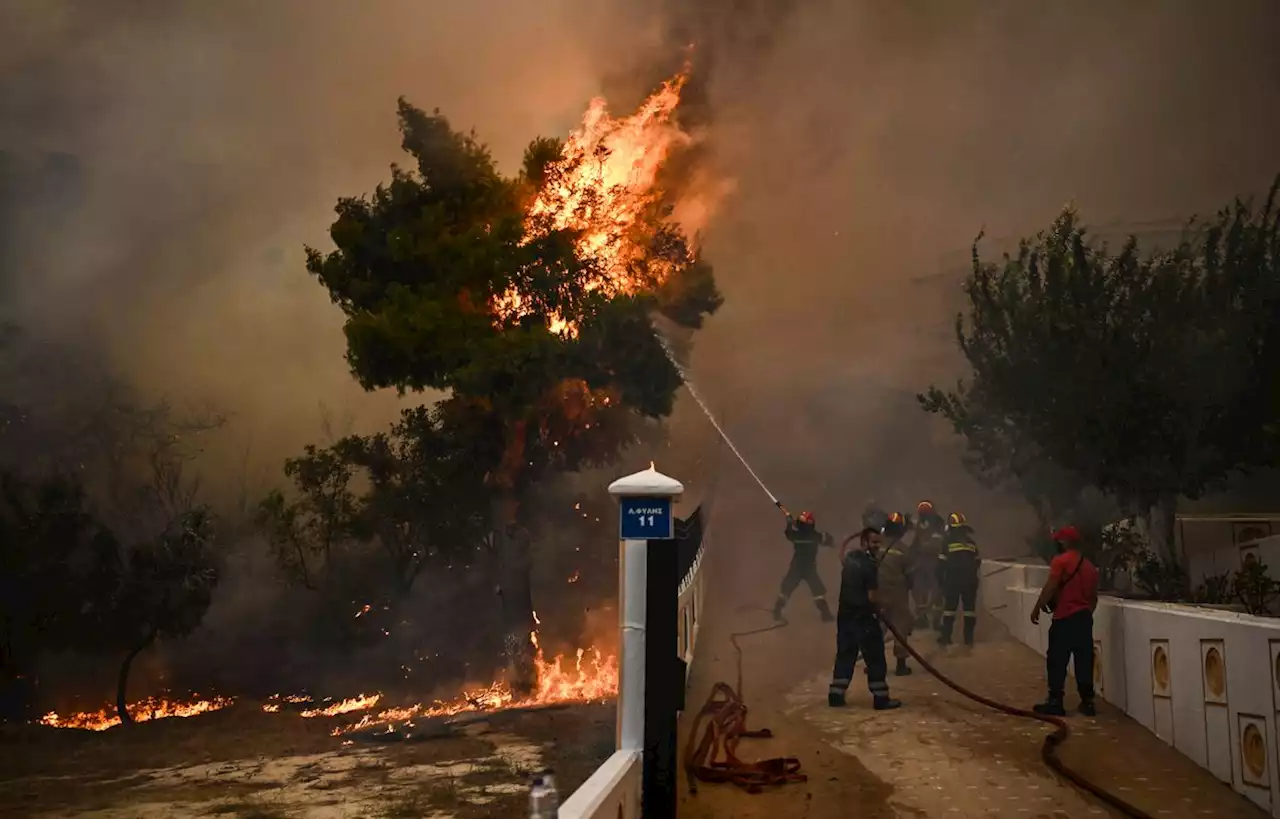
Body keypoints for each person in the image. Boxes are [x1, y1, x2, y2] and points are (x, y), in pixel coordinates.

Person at [828, 527, 902, 710]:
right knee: (875, 656)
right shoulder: (869, 565)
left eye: (879, 542)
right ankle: (881, 698)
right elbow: (871, 596)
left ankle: (836, 694)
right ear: (864, 543)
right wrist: (882, 606)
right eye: (874, 542)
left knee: (845, 654)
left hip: (845, 616)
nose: (877, 546)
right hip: (864, 618)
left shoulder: (851, 560)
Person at [1031, 525, 1100, 717]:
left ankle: (1055, 702)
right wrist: (1084, 613)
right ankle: (1087, 702)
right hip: (1084, 619)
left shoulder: (1060, 562)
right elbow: (1094, 598)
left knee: (1057, 660)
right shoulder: (1090, 567)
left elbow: (1051, 586)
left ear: (1064, 542)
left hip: (1064, 619)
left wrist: (1037, 608)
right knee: (1084, 661)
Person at [773, 511, 836, 622]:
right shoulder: (815, 536)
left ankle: (777, 612)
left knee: (786, 589)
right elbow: (828, 540)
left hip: (797, 566)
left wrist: (789, 522)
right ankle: (825, 615)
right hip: (809, 568)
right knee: (818, 591)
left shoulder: (796, 535)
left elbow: (788, 533)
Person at [877, 512, 916, 676]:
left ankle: (874, 664)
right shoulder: (904, 550)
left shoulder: (875, 545)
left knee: (877, 626)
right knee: (900, 626)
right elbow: (910, 575)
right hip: (897, 593)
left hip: (877, 591)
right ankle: (901, 665)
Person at [937, 512, 981, 647]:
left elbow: (941, 564)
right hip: (970, 581)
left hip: (953, 581)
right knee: (969, 610)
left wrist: (940, 581)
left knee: (949, 609)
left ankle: (946, 637)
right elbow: (977, 562)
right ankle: (968, 639)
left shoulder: (947, 542)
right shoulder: (972, 543)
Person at [910, 500, 947, 629]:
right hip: (922, 562)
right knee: (921, 591)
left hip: (934, 562)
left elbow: (938, 543)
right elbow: (915, 543)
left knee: (936, 592)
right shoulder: (921, 525)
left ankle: (936, 621)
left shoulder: (938, 524)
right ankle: (922, 619)